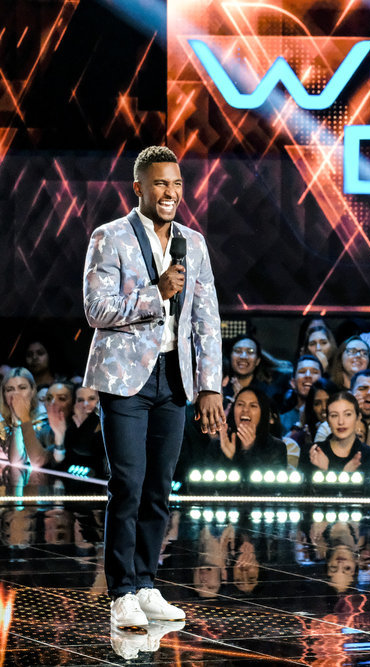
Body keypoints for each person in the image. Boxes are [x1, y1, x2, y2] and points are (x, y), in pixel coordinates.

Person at [82, 146, 224, 628]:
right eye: (161, 183)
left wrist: (209, 386)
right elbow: (96, 309)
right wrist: (155, 293)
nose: (171, 193)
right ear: (138, 187)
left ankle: (146, 583)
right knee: (128, 484)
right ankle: (121, 591)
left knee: (160, 487)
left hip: (174, 377)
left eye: (177, 184)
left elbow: (206, 318)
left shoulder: (193, 243)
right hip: (124, 380)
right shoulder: (110, 236)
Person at [211, 387, 288, 474]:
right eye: (240, 404)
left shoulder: (276, 447)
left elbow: (269, 481)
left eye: (253, 406)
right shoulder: (217, 445)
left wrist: (249, 452)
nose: (245, 410)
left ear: (263, 412)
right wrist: (229, 458)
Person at [307, 392, 370, 473]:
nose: (341, 422)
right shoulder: (311, 453)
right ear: (328, 420)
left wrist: (331, 471)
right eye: (334, 415)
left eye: (347, 414)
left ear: (358, 417)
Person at [0, 368, 49, 468]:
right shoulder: (1, 421)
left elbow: (19, 461)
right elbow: (15, 461)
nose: (16, 394)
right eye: (10, 389)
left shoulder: (44, 419)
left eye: (22, 388)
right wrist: (16, 421)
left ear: (32, 391)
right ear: (4, 395)